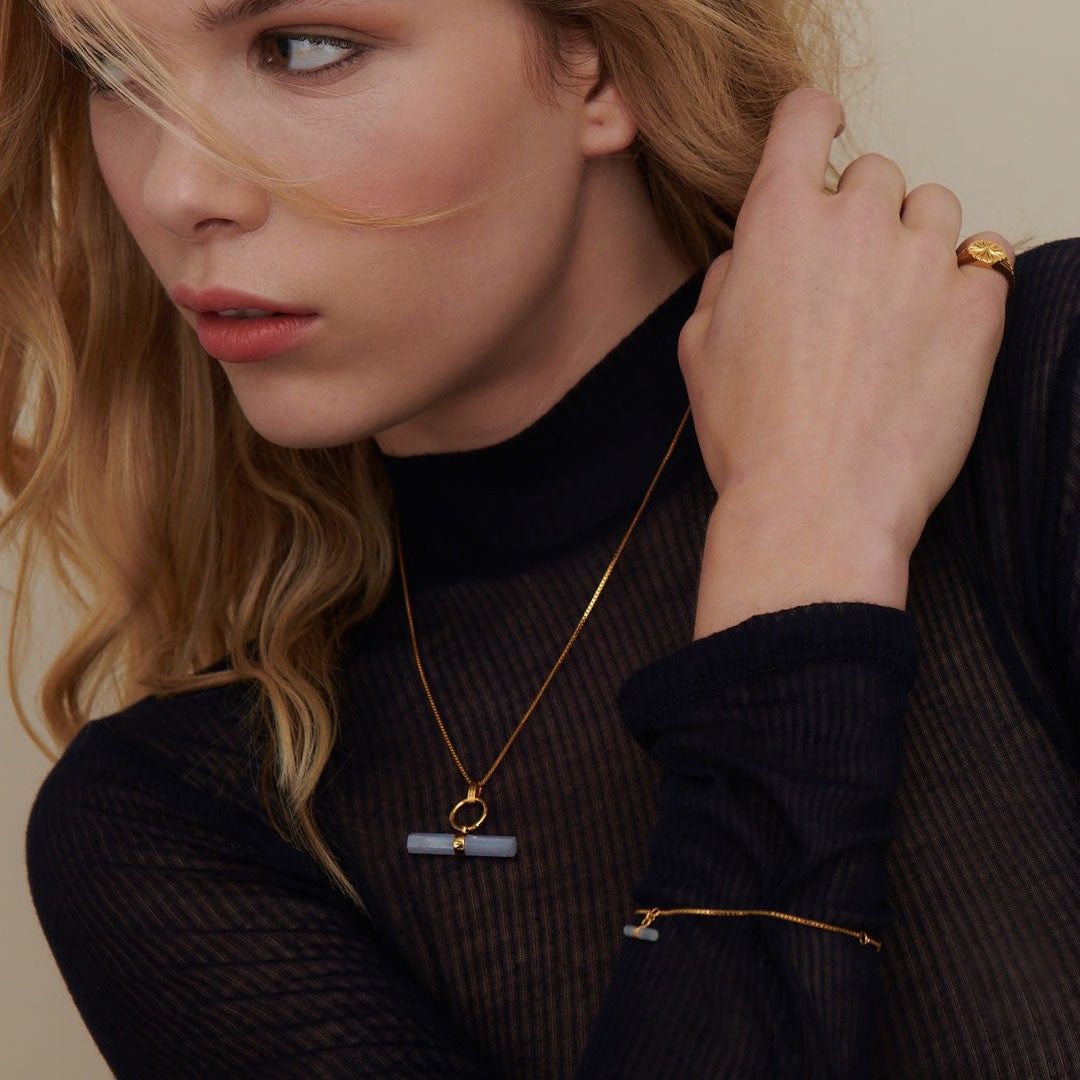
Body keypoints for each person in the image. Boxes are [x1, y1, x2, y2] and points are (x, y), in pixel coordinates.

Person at [3, 0, 1077, 1075]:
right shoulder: (186, 818)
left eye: (302, 49)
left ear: (603, 66)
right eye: (111, 67)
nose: (176, 189)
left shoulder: (1051, 402)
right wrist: (800, 544)